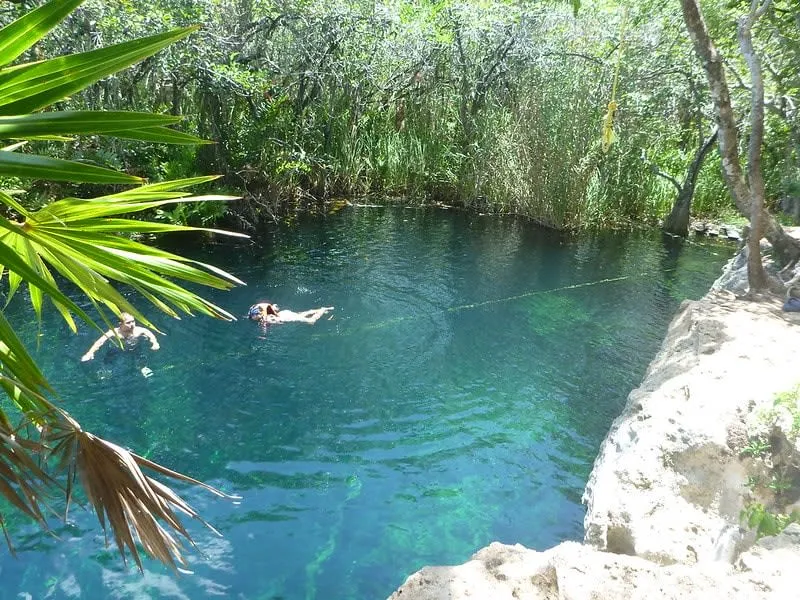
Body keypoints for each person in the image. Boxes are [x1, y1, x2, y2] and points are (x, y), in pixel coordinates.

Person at [81, 312, 160, 362]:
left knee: (140, 356)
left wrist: (155, 343)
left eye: (133, 321)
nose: (132, 324)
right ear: (120, 324)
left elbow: (149, 333)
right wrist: (90, 353)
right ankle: (105, 372)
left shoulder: (138, 330)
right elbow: (100, 342)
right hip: (117, 350)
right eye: (128, 323)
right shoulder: (114, 332)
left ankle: (143, 368)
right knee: (108, 359)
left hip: (134, 348)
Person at [248, 302, 334, 325]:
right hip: (284, 313)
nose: (252, 317)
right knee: (301, 314)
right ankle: (322, 310)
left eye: (253, 315)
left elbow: (278, 322)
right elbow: (273, 307)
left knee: (311, 321)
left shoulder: (265, 319)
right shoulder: (263, 312)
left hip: (287, 317)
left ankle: (322, 310)